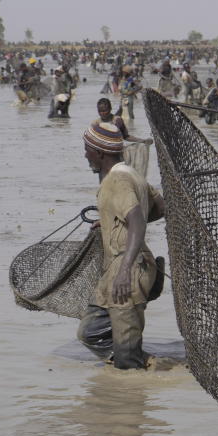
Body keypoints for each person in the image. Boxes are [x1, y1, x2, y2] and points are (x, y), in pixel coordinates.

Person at [77, 120, 165, 369]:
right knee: (89, 331)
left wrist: (126, 270)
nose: (85, 155)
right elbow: (160, 208)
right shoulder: (133, 174)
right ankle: (144, 361)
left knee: (127, 364)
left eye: (87, 149)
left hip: (128, 269)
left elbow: (137, 220)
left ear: (100, 152)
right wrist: (112, 224)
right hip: (118, 268)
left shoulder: (116, 181)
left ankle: (137, 377)